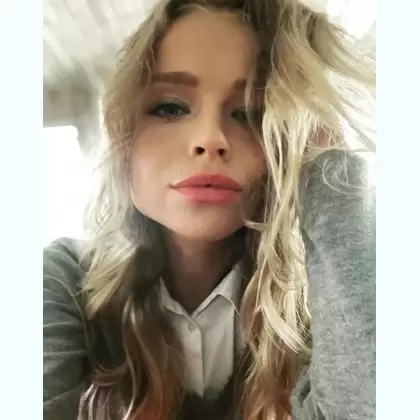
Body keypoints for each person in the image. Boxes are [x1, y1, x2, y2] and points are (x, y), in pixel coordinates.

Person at [43, 0, 376, 419]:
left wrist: (329, 172)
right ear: (123, 132)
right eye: (170, 108)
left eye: (250, 113)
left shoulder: (322, 301)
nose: (210, 138)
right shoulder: (62, 280)